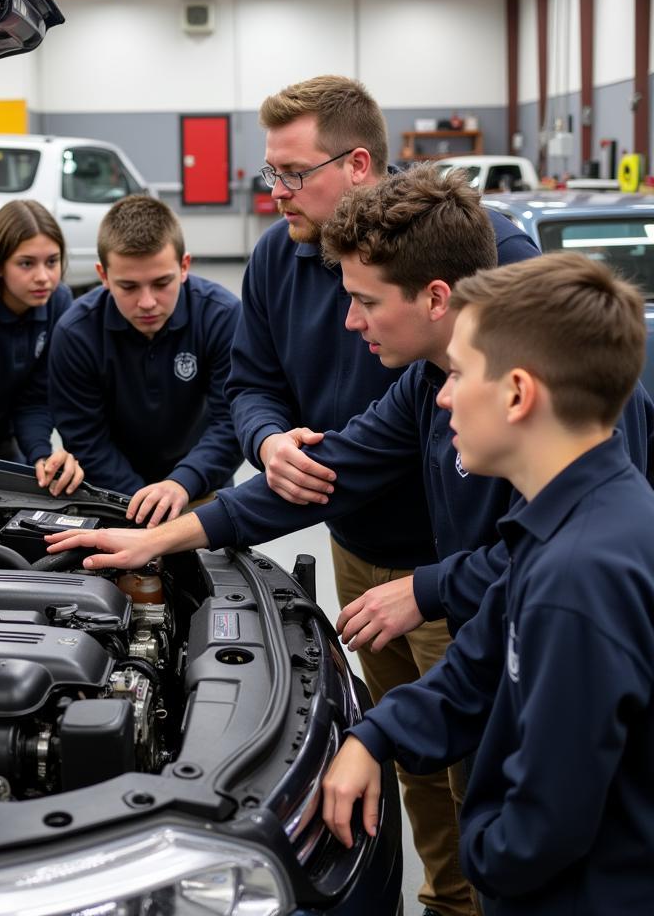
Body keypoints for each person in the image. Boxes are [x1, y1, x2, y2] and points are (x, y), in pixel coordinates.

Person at [45, 168, 653, 915]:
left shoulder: (578, 574)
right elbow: (327, 473)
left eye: (364, 301)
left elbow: (555, 808)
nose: (350, 322)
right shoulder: (512, 486)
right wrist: (164, 538)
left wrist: (487, 853)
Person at [225, 77, 537, 916]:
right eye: (271, 174)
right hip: (358, 548)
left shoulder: (489, 264)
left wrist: (437, 585)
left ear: (356, 164)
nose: (277, 193)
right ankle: (446, 899)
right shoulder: (278, 259)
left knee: (478, 762)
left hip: (457, 563)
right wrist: (264, 446)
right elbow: (258, 388)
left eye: (292, 174)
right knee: (412, 766)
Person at [321, 252, 654, 915]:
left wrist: (480, 849)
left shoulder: (578, 579)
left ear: (518, 393)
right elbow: (472, 672)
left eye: (460, 373)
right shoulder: (560, 520)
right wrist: (373, 736)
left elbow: (546, 822)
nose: (442, 394)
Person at [48, 194, 242, 527]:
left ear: (184, 266)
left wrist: (183, 482)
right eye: (128, 286)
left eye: (161, 283)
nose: (148, 302)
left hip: (201, 489)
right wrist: (142, 504)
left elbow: (233, 422)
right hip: (113, 496)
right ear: (103, 275)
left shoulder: (222, 317)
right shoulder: (75, 333)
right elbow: (86, 439)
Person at [0, 200, 84, 496]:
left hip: (4, 440)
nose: (43, 277)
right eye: (26, 263)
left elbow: (37, 397)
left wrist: (41, 456)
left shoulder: (58, 301)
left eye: (52, 262)